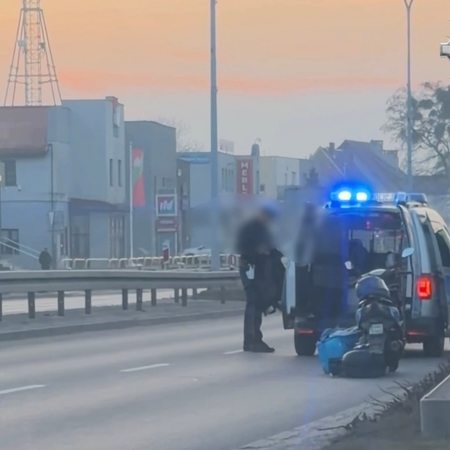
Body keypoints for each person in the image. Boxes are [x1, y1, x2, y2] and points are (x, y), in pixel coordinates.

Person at [237, 204, 282, 353]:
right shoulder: (251, 228)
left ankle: (254, 339)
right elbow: (246, 248)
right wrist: (260, 253)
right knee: (253, 303)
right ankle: (252, 341)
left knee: (257, 304)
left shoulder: (262, 229)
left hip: (257, 270)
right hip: (250, 268)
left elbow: (271, 249)